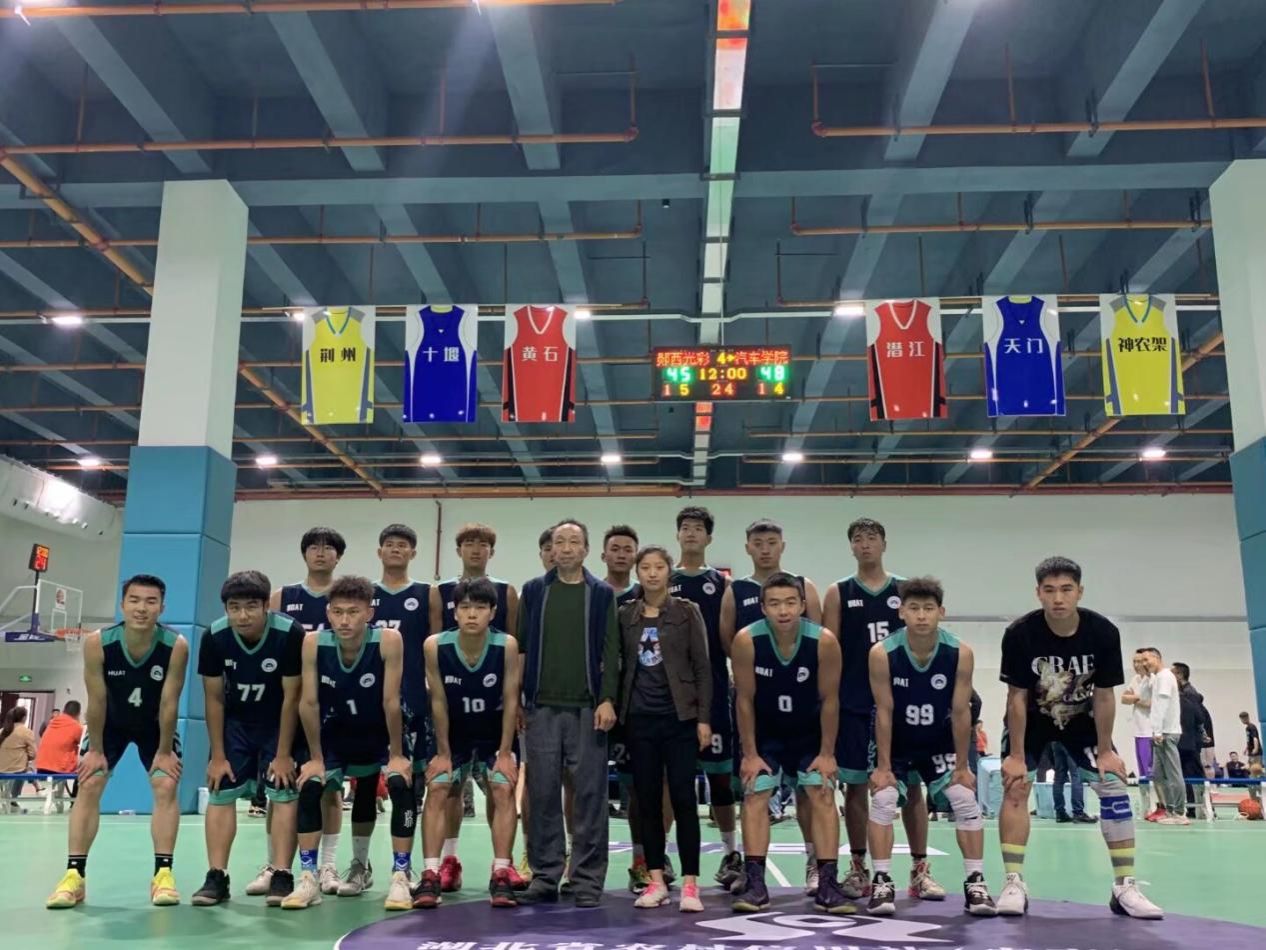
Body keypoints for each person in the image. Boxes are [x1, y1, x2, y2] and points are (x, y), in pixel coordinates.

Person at [996, 556, 1161, 919]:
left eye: (1066, 589)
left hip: (1082, 721)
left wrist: (1105, 750)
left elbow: (1104, 695)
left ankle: (1125, 886)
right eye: (1050, 590)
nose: (1058, 598)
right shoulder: (1020, 633)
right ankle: (1013, 881)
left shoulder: (1103, 632)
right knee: (1016, 786)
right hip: (1033, 720)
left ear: (1079, 592)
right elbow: (1016, 697)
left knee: (1114, 785)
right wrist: (1017, 756)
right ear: (1038, 593)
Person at [46, 575, 189, 910]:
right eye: (134, 600)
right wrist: (95, 750)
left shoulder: (176, 645)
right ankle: (74, 876)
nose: (142, 608)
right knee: (90, 782)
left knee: (166, 784)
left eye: (151, 601)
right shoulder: (98, 642)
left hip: (154, 725)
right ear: (122, 605)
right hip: (108, 724)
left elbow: (169, 703)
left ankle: (163, 875)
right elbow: (96, 700)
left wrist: (164, 751)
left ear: (162, 607)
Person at [822, 517, 942, 902]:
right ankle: (859, 868)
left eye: (872, 538)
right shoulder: (838, 592)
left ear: (884, 544)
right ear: (851, 547)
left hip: (903, 703)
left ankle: (920, 871)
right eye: (858, 539)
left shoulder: (904, 591)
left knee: (911, 786)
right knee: (856, 785)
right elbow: (830, 651)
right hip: (855, 704)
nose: (865, 544)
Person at [282, 576, 415, 911]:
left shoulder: (388, 640)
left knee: (398, 785)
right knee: (311, 785)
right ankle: (309, 876)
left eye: (353, 612)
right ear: (328, 612)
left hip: (378, 729)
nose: (344, 620)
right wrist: (315, 758)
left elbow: (391, 701)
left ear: (369, 613)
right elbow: (308, 702)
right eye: (338, 612)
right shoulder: (313, 642)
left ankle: (396, 874)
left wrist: (397, 754)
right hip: (334, 730)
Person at [866, 577, 995, 917]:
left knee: (964, 799)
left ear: (941, 612)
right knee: (884, 799)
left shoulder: (960, 652)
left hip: (939, 741)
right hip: (897, 743)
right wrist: (883, 766)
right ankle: (882, 881)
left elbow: (961, 710)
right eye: (914, 608)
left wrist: (963, 766)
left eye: (928, 608)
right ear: (901, 612)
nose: (921, 615)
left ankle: (976, 883)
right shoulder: (882, 653)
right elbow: (884, 710)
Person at [515, 519, 620, 908]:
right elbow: (521, 649)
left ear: (586, 549)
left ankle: (587, 880)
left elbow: (611, 650)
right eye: (559, 541)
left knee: (590, 796)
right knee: (542, 793)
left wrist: (607, 699)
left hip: (587, 708)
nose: (566, 547)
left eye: (574, 541)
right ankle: (545, 875)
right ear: (551, 549)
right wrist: (518, 700)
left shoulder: (601, 593)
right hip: (540, 707)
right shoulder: (534, 591)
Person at [730, 572, 848, 915]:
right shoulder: (746, 640)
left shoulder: (824, 641)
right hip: (766, 733)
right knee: (755, 791)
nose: (783, 611)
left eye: (790, 603)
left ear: (802, 605)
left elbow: (830, 700)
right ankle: (755, 884)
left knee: (822, 791)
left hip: (809, 732)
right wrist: (749, 753)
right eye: (775, 603)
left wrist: (827, 753)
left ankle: (828, 883)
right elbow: (744, 700)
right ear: (763, 607)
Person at [721, 519, 823, 894]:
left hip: (803, 705)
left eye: (772, 542)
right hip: (758, 706)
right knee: (755, 786)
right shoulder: (736, 590)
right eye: (758, 542)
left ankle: (816, 863)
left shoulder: (804, 586)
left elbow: (819, 639)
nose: (765, 548)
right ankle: (752, 872)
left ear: (783, 545)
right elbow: (727, 639)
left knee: (810, 789)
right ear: (747, 547)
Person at [194, 571, 306, 907]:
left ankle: (282, 873)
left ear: (266, 606)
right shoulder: (214, 636)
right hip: (237, 723)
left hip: (278, 722)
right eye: (234, 607)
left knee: (284, 792)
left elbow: (292, 696)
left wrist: (283, 754)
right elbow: (214, 697)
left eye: (251, 607)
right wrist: (217, 755)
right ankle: (217, 875)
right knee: (220, 791)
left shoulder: (289, 633)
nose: (242, 615)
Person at [415, 578, 522, 909]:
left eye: (480, 607)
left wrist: (505, 752)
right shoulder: (435, 645)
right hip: (453, 731)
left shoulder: (506, 645)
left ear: (493, 612)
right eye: (465, 607)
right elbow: (438, 702)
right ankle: (431, 873)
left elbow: (510, 699)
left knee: (502, 786)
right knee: (438, 786)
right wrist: (443, 753)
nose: (472, 614)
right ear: (455, 612)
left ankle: (501, 873)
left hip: (493, 731)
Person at [618, 545, 712, 912]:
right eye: (646, 567)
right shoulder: (625, 615)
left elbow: (702, 667)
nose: (652, 573)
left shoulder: (687, 612)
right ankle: (655, 880)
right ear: (638, 573)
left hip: (680, 719)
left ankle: (690, 884)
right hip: (639, 720)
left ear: (669, 572)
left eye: (659, 567)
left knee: (685, 799)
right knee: (646, 801)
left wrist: (703, 718)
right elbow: (619, 665)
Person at [269, 525, 347, 897]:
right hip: (287, 703)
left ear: (338, 556)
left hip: (330, 705)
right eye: (314, 547)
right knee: (281, 786)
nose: (320, 552)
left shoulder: (345, 598)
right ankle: (275, 864)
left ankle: (327, 865)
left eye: (328, 548)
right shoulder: (282, 597)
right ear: (304, 554)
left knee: (329, 786)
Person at [670, 505, 741, 889]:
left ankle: (731, 855)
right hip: (670, 694)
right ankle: (661, 858)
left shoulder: (722, 584)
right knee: (670, 781)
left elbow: (729, 640)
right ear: (677, 535)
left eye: (698, 528)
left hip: (713, 691)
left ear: (709, 537)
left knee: (720, 778)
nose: (691, 533)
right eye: (685, 527)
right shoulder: (664, 579)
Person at [368, 524, 432, 896]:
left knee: (408, 785)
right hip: (367, 703)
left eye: (403, 545)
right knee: (365, 784)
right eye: (389, 544)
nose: (395, 550)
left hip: (413, 702)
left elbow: (436, 644)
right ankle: (355, 864)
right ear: (379, 552)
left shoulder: (426, 594)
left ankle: (405, 869)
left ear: (413, 553)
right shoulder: (365, 595)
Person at [600, 524, 655, 891]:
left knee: (639, 787)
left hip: (637, 705)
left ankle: (642, 859)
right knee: (585, 787)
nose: (621, 554)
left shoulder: (646, 596)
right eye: (615, 548)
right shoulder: (592, 593)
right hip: (595, 702)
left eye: (627, 549)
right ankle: (580, 861)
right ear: (603, 554)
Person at [1136, 648, 1184, 825]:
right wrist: (1145, 675)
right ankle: (1169, 810)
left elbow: (1161, 705)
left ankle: (1179, 812)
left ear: (1157, 658)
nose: (1144, 663)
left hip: (1167, 733)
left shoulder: (1164, 677)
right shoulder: (1156, 678)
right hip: (1159, 733)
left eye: (1146, 660)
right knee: (1157, 774)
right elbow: (1144, 695)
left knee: (1173, 774)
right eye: (1142, 661)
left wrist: (1157, 731)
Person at [1174, 662, 1211, 821]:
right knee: (1187, 774)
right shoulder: (1186, 693)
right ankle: (1192, 808)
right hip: (1187, 741)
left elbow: (1200, 717)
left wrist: (1202, 734)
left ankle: (1201, 808)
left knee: (1193, 774)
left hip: (1189, 742)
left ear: (1180, 675)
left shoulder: (1189, 694)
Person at [1121, 650, 1157, 817]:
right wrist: (1138, 698)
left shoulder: (1153, 679)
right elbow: (1123, 698)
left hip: (1150, 731)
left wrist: (1134, 699)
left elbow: (1153, 703)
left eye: (1139, 661)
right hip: (1138, 731)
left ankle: (1157, 806)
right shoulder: (1135, 679)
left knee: (1152, 773)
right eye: (1134, 661)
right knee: (1142, 774)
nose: (1136, 665)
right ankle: (1146, 808)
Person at [35, 701, 83, 814]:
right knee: (84, 772)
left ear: (64, 710)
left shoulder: (52, 723)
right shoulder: (76, 727)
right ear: (78, 713)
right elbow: (82, 744)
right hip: (60, 768)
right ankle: (74, 804)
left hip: (41, 766)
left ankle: (54, 795)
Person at [0, 706, 38, 811]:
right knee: (28, 769)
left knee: (27, 769)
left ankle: (10, 798)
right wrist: (25, 757)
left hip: (1, 769)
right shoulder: (26, 732)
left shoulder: (2, 731)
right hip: (17, 770)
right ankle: (14, 798)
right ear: (24, 717)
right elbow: (33, 754)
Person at [1049, 740, 1095, 823]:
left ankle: (1060, 813)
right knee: (1076, 776)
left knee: (1058, 778)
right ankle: (1078, 813)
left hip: (1056, 742)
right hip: (1072, 741)